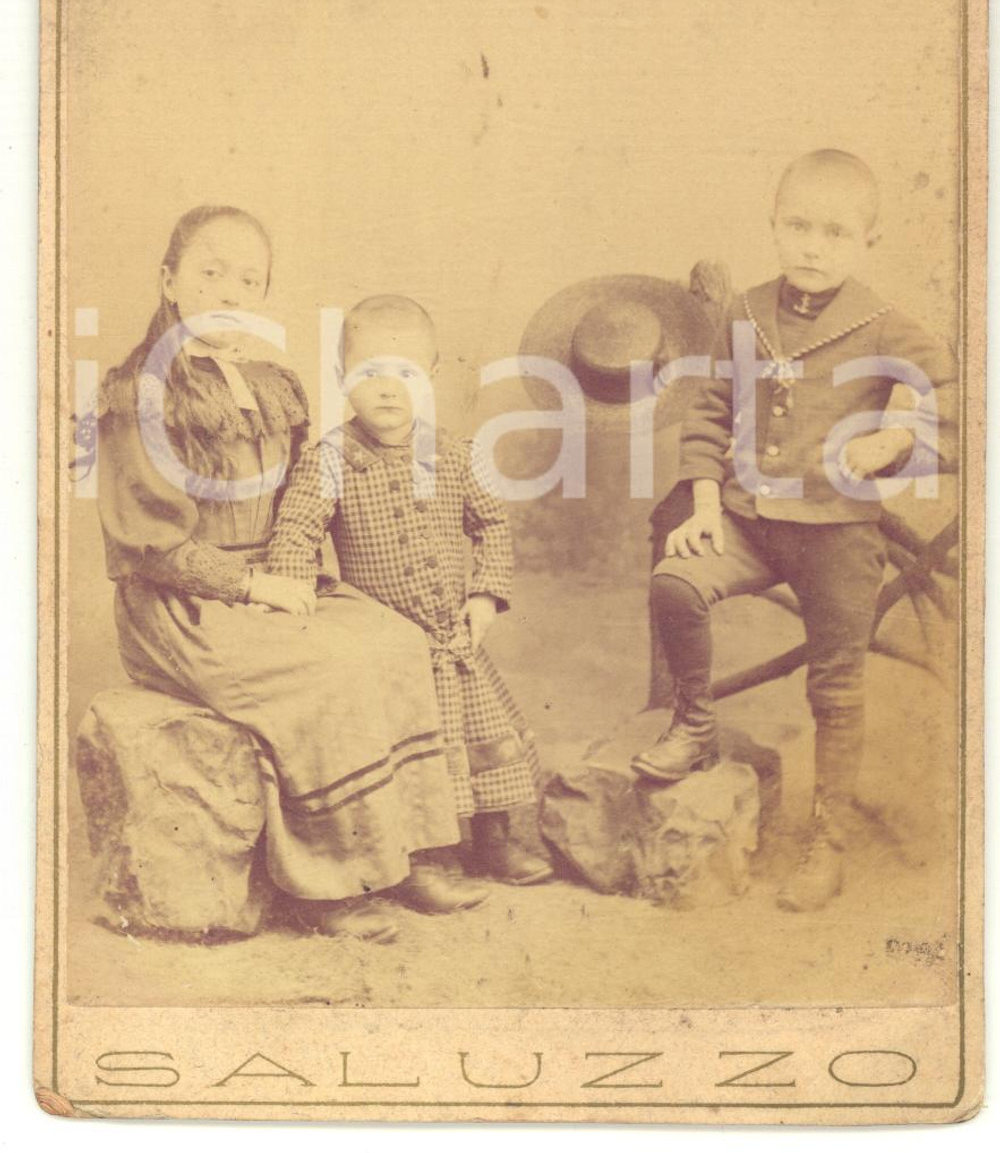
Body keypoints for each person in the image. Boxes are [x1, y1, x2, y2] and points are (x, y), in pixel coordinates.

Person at [97, 205, 480, 947]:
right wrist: (252, 588)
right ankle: (328, 885)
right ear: (169, 280)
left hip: (276, 576)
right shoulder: (135, 392)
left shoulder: (272, 384)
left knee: (395, 641)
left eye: (249, 278)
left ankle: (408, 857)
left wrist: (297, 575)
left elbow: (312, 497)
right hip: (183, 602)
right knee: (327, 670)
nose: (229, 292)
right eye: (210, 272)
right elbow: (150, 546)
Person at [632, 150, 957, 911]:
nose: (814, 246)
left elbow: (957, 399)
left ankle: (827, 841)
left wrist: (900, 440)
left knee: (836, 687)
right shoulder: (744, 311)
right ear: (774, 226)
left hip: (838, 536)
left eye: (836, 233)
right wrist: (705, 504)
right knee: (676, 583)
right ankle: (694, 723)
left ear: (868, 242)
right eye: (798, 226)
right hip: (746, 521)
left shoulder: (886, 325)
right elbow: (710, 409)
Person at [266, 295, 553, 888]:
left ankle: (494, 842)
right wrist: (295, 599)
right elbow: (296, 533)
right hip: (391, 649)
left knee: (483, 739)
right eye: (370, 372)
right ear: (343, 379)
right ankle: (427, 860)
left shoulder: (453, 454)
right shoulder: (331, 460)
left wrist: (485, 595)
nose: (388, 389)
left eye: (406, 372)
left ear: (432, 377)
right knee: (415, 758)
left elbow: (492, 524)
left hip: (455, 634)